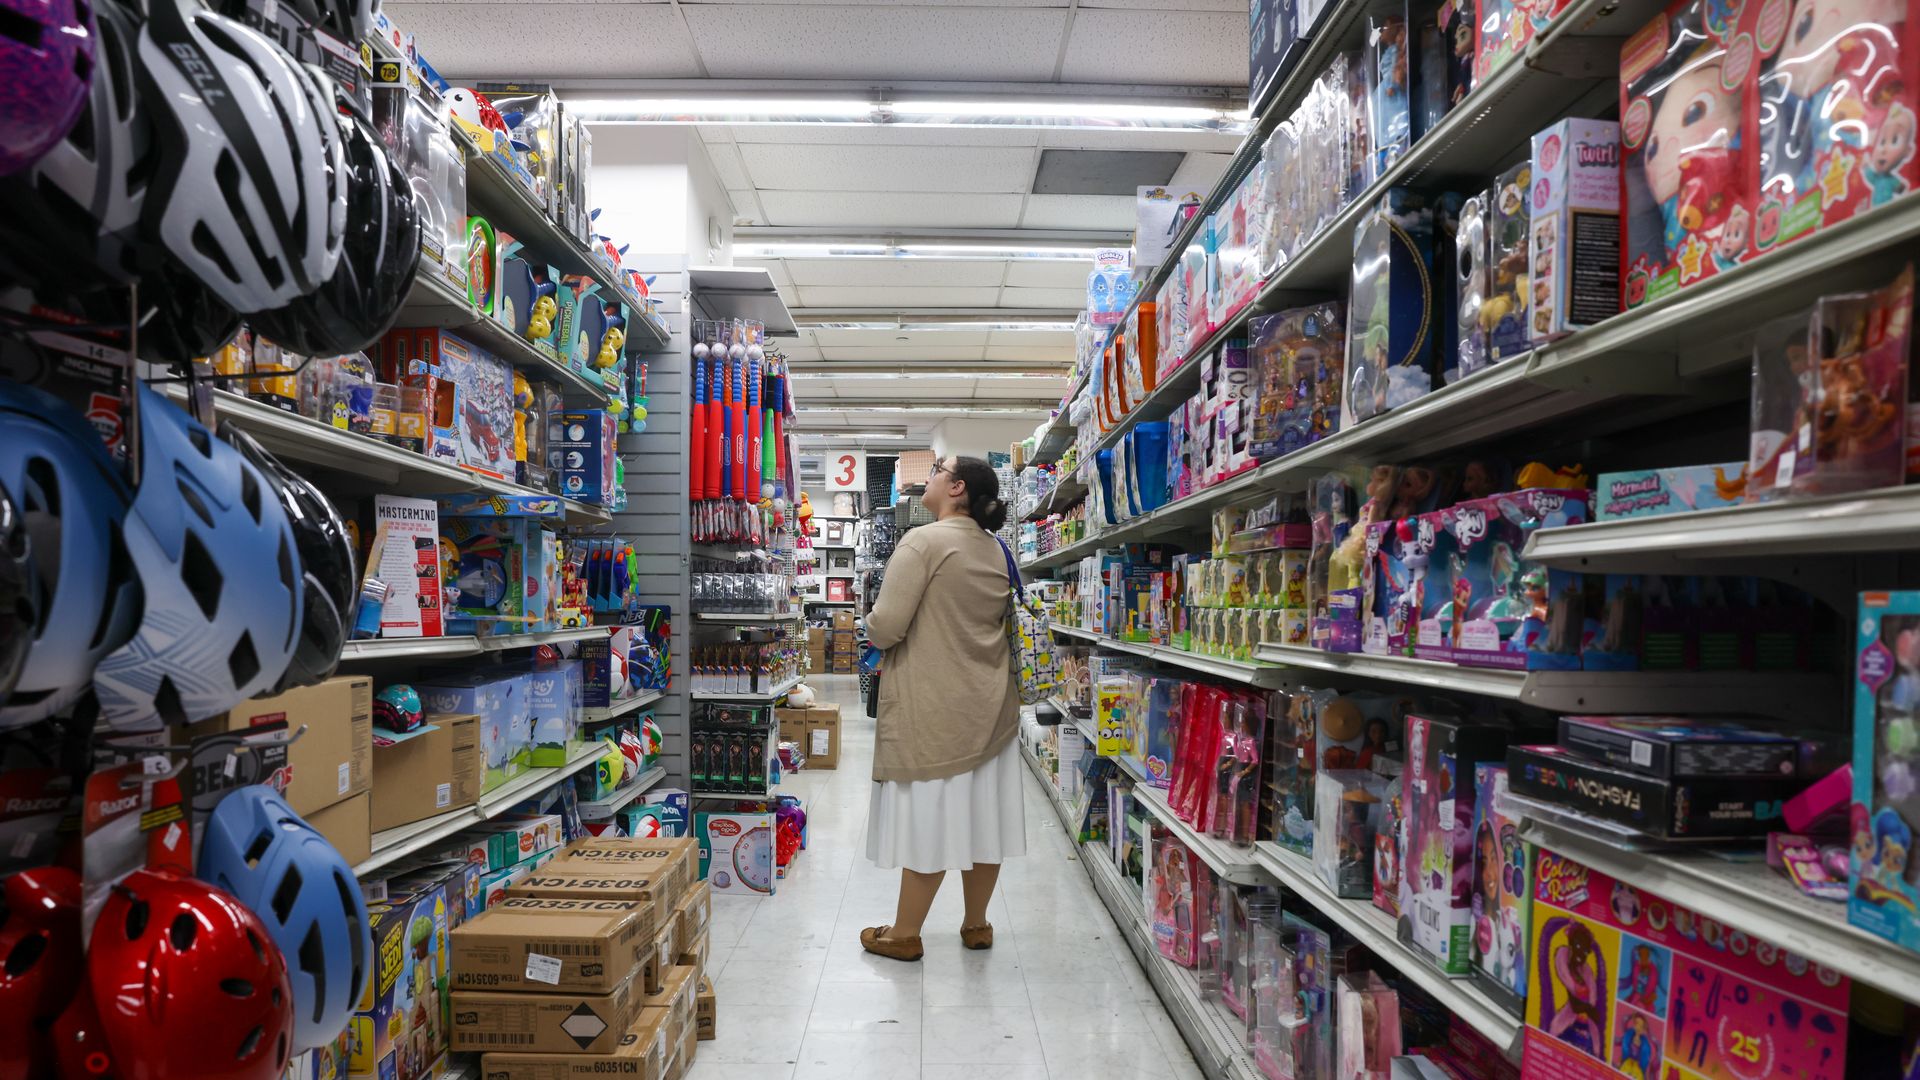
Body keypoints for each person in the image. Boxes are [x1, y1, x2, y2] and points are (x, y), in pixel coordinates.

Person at [858, 455, 1024, 961]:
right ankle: (977, 925)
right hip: (992, 705)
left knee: (931, 819)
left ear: (956, 488)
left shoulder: (924, 542)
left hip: (935, 707)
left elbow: (886, 626)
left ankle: (906, 933)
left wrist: (867, 626)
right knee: (983, 820)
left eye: (936, 469)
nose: (926, 475)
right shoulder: (997, 549)